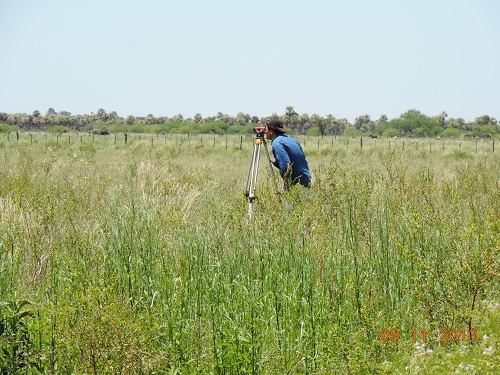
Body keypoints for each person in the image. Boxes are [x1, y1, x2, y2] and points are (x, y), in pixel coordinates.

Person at [265, 119, 311, 189]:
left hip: (295, 182)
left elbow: (285, 164)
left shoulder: (276, 142)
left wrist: (287, 182)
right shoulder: (291, 139)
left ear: (271, 132)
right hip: (306, 178)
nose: (265, 131)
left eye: (266, 129)